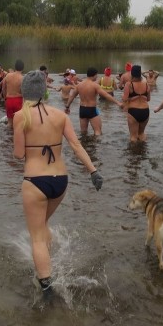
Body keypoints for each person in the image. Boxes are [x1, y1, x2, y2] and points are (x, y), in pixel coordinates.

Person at [12, 70, 103, 294]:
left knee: (36, 238)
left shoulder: (20, 116)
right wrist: (93, 171)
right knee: (42, 225)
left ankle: (46, 287)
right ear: (44, 91)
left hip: (35, 181)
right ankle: (49, 262)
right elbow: (76, 145)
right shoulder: (60, 115)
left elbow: (18, 154)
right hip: (60, 181)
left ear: (25, 92)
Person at [64, 67, 122, 135]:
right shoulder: (95, 85)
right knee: (98, 131)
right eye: (96, 75)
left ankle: (84, 144)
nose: (97, 77)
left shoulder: (79, 85)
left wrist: (67, 107)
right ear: (94, 75)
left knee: (83, 132)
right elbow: (106, 95)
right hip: (92, 109)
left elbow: (72, 96)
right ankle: (97, 145)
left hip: (82, 110)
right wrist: (118, 103)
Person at [122, 64, 151, 142]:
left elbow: (124, 99)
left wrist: (131, 98)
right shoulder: (146, 84)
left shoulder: (129, 84)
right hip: (145, 111)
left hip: (133, 111)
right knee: (141, 134)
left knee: (133, 137)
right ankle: (142, 152)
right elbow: (148, 99)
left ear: (132, 73)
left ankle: (133, 153)